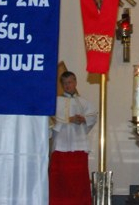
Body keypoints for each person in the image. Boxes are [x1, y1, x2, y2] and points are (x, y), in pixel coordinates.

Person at [49, 71, 98, 205]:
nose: (67, 85)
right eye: (64, 83)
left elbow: (93, 115)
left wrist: (84, 119)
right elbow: (50, 120)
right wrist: (68, 120)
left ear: (75, 83)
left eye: (70, 82)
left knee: (78, 181)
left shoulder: (83, 102)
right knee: (60, 181)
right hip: (61, 146)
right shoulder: (55, 102)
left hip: (79, 145)